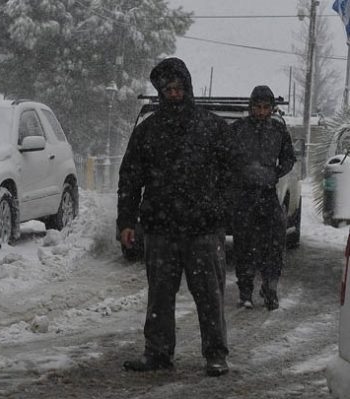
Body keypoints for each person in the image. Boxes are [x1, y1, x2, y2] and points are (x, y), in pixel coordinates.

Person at [117, 57, 233, 377]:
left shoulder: (212, 127)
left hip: (203, 230)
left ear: (188, 86)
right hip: (160, 230)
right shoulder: (148, 131)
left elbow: (232, 174)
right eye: (167, 88)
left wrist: (219, 209)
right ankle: (157, 352)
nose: (173, 92)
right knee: (159, 298)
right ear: (160, 91)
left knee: (209, 295)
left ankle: (215, 354)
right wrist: (126, 222)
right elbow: (130, 178)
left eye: (178, 86)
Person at [229, 85, 296, 311]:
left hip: (268, 194)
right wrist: (238, 173)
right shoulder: (238, 129)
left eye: (266, 107)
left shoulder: (278, 131)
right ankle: (245, 291)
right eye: (257, 107)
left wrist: (274, 173)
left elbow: (289, 158)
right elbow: (224, 155)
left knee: (274, 244)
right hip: (244, 195)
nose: (261, 111)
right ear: (251, 107)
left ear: (271, 109)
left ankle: (270, 289)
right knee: (244, 245)